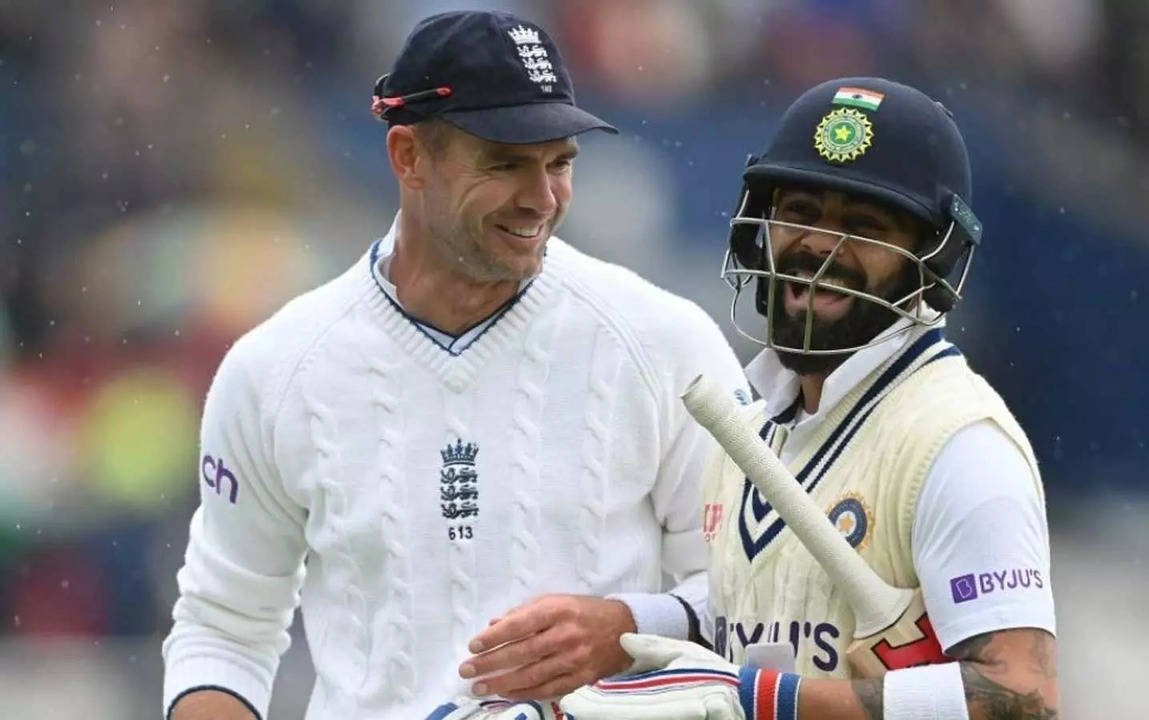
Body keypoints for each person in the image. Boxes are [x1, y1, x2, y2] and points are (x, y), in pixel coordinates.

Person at [161, 11, 749, 720]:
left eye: (559, 162)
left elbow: (759, 597)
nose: (541, 198)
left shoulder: (666, 345)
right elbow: (225, 628)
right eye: (505, 163)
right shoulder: (275, 371)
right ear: (408, 156)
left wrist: (626, 626)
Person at [561, 78, 1058, 720]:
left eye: (863, 224)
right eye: (799, 213)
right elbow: (759, 613)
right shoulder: (746, 424)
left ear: (931, 259)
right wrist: (622, 634)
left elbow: (1026, 700)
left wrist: (763, 700)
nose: (820, 245)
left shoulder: (958, 444)